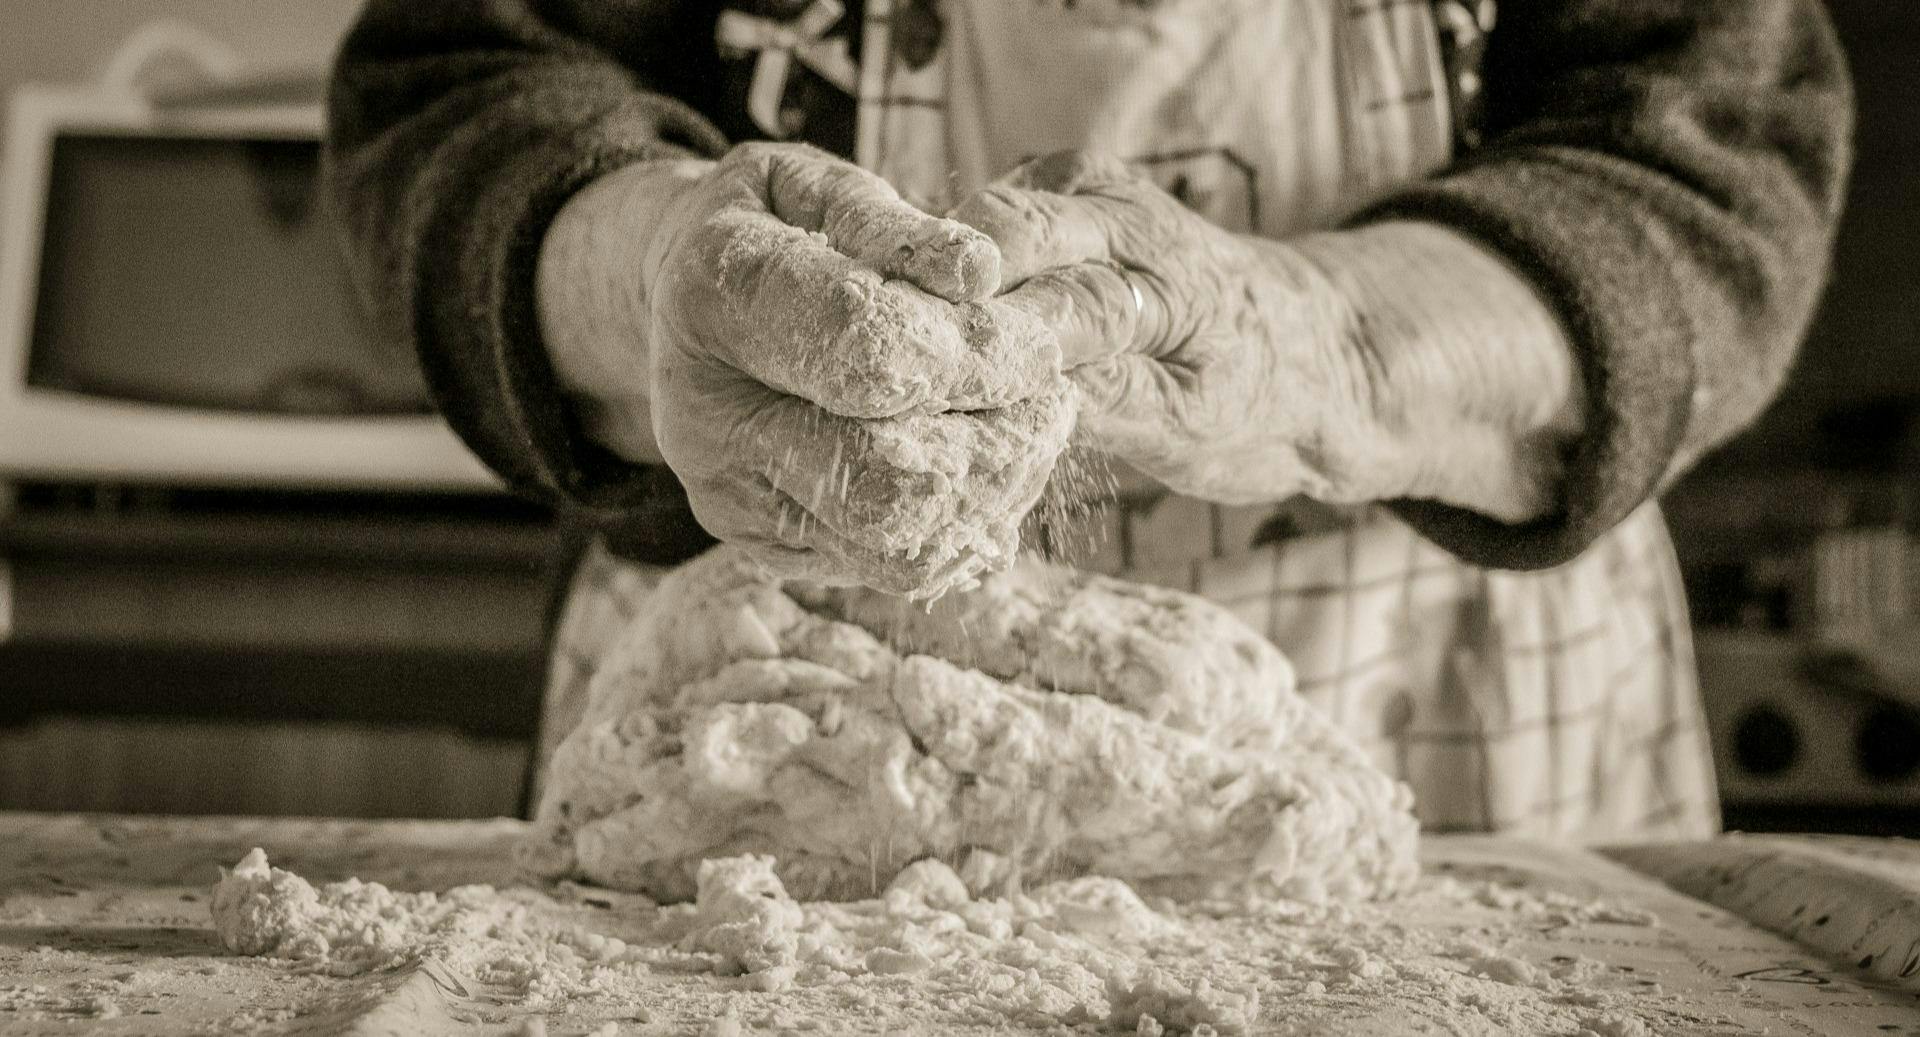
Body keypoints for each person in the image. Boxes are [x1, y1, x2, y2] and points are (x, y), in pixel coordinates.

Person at [326, 0, 1852, 840]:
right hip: (765, 702)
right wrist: (655, 272)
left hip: (1450, 698)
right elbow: (457, 90)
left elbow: (1712, 160)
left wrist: (1325, 347)